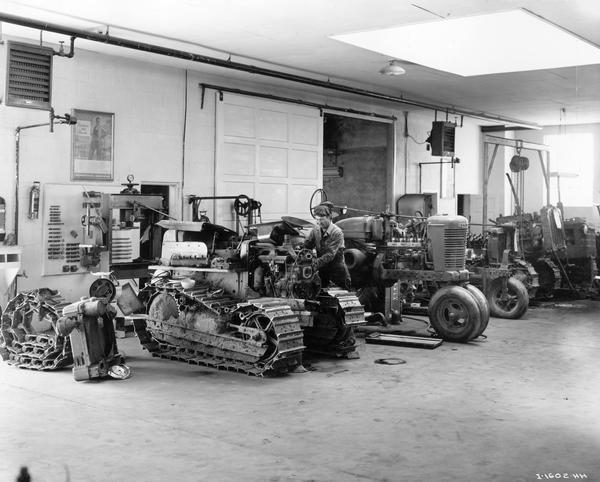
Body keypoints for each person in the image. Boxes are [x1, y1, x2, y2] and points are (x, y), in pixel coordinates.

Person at [303, 204, 351, 290]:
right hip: (323, 272)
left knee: (343, 298)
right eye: (316, 219)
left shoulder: (337, 233)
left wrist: (314, 265)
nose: (318, 222)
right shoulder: (316, 230)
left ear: (329, 217)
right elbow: (307, 246)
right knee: (320, 297)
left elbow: (330, 255)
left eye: (321, 219)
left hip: (337, 272)